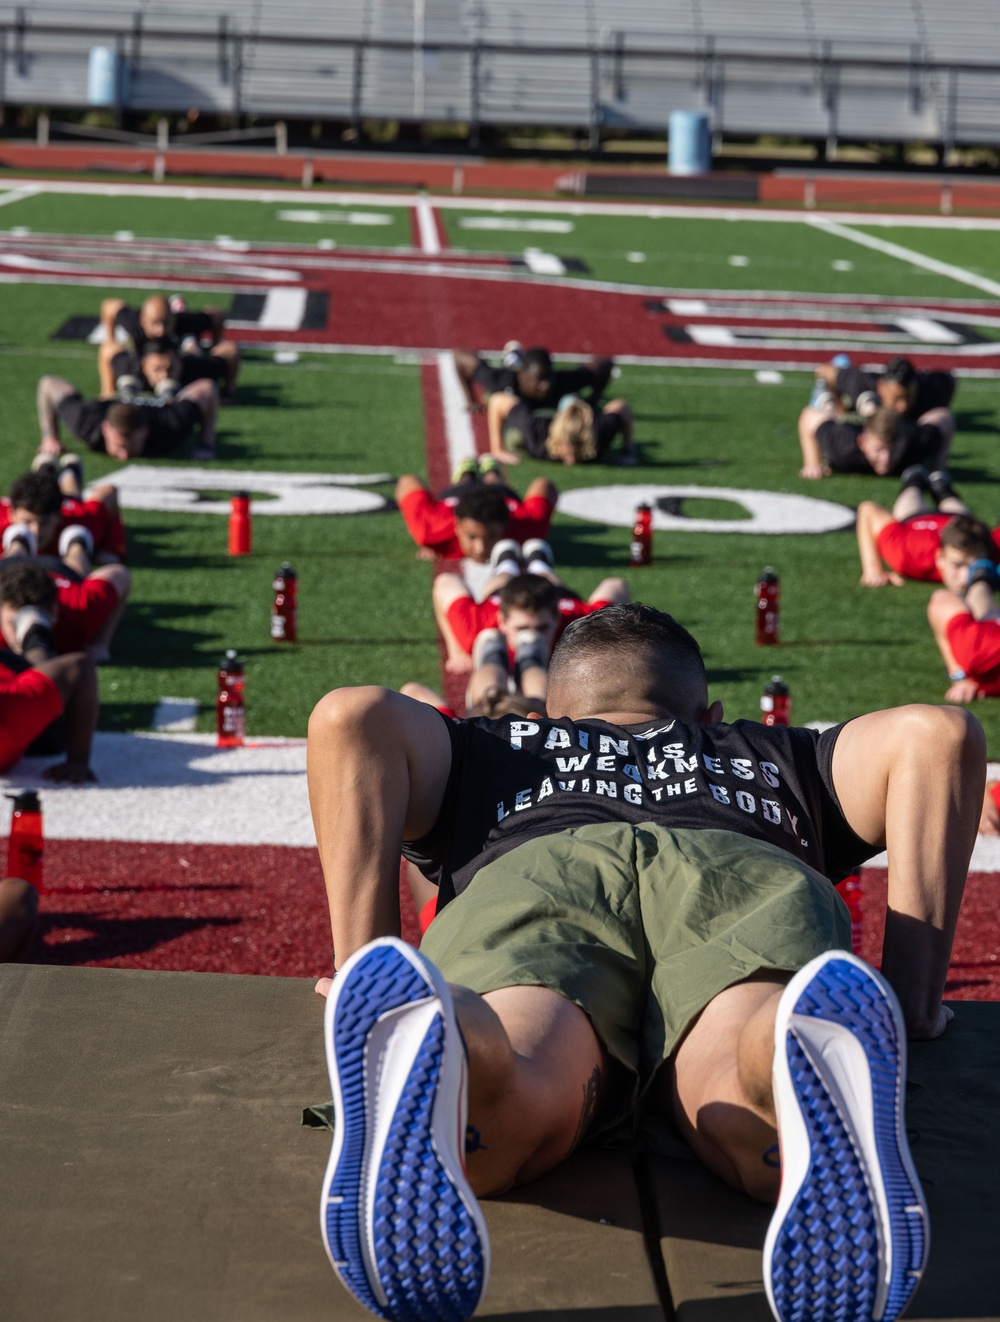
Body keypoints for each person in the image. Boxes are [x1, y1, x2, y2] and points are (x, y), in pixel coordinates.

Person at [308, 604, 980, 1322]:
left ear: (550, 711)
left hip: (540, 868)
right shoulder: (770, 752)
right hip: (740, 871)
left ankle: (452, 1043)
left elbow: (352, 718)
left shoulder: (503, 745)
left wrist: (362, 963)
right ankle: (791, 1052)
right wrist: (913, 1003)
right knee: (747, 1052)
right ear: (709, 711)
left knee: (520, 1049)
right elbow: (936, 736)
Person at [432, 537, 629, 677]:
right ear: (502, 622)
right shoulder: (478, 628)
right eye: (522, 628)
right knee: (499, 584)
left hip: (556, 596)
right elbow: (444, 583)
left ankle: (538, 563)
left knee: (548, 581)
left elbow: (617, 585)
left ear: (557, 619)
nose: (532, 637)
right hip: (503, 594)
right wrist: (457, 650)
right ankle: (507, 561)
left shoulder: (580, 627)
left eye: (542, 628)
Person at [0, 561, 99, 783]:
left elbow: (80, 668)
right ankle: (35, 634)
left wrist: (78, 760)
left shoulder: (16, 712)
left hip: (14, 672)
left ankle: (35, 636)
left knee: (36, 662)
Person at [2, 523, 131, 663]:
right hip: (8, 569)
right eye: (13, 623)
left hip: (56, 571)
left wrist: (101, 643)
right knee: (11, 560)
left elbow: (121, 575)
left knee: (75, 571)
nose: (23, 633)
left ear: (55, 612)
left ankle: (76, 544)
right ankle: (19, 541)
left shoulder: (80, 609)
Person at [855, 465, 995, 588]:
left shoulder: (992, 548)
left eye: (975, 565)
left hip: (958, 520)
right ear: (940, 558)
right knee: (908, 503)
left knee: (960, 514)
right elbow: (867, 510)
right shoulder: (906, 554)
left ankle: (941, 486)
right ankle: (914, 479)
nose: (965, 578)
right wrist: (873, 569)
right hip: (917, 521)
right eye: (957, 565)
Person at [36, 371, 219, 462]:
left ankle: (164, 390)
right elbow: (48, 384)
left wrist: (205, 443)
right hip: (107, 404)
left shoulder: (171, 426)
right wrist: (50, 437)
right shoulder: (85, 421)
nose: (123, 456)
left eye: (130, 446)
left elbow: (208, 388)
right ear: (105, 429)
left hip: (157, 408)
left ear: (145, 432)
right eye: (119, 446)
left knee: (170, 395)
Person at [98, 294, 238, 397]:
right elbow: (109, 306)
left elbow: (218, 317)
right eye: (155, 324)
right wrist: (108, 391)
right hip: (144, 359)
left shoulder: (184, 325)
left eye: (166, 323)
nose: (161, 331)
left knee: (194, 347)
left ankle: (187, 332)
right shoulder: (133, 324)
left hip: (183, 354)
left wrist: (214, 347)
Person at [395, 475, 556, 563]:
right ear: (457, 526)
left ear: (505, 526)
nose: (480, 548)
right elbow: (406, 481)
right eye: (472, 536)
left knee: (495, 482)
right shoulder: (430, 528)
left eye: (492, 536)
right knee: (465, 481)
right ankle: (466, 474)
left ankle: (492, 474)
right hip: (455, 495)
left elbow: (545, 484)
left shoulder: (529, 528)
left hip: (500, 494)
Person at [0, 466, 127, 563]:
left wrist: (111, 546)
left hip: (69, 504)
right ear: (12, 514)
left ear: (58, 518)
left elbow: (110, 492)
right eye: (27, 521)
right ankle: (47, 467)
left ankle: (69, 471)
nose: (36, 531)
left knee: (73, 497)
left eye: (45, 522)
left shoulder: (82, 523)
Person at [798, 402, 952, 479]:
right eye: (879, 450)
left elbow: (945, 417)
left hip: (905, 426)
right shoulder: (842, 446)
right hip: (850, 425)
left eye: (892, 450)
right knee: (828, 406)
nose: (886, 458)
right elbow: (808, 415)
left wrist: (939, 466)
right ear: (862, 443)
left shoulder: (917, 442)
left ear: (903, 442)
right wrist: (812, 463)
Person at [926, 555, 1000, 702]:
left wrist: (959, 676)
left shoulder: (978, 648)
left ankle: (981, 576)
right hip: (983, 656)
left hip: (982, 657)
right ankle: (981, 576)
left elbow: (941, 600)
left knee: (981, 608)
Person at [814, 355, 956, 422]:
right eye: (896, 399)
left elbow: (950, 380)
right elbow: (824, 371)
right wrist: (840, 409)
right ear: (881, 388)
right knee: (840, 364)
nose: (903, 406)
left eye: (907, 397)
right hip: (855, 377)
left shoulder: (931, 389)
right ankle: (843, 362)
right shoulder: (862, 383)